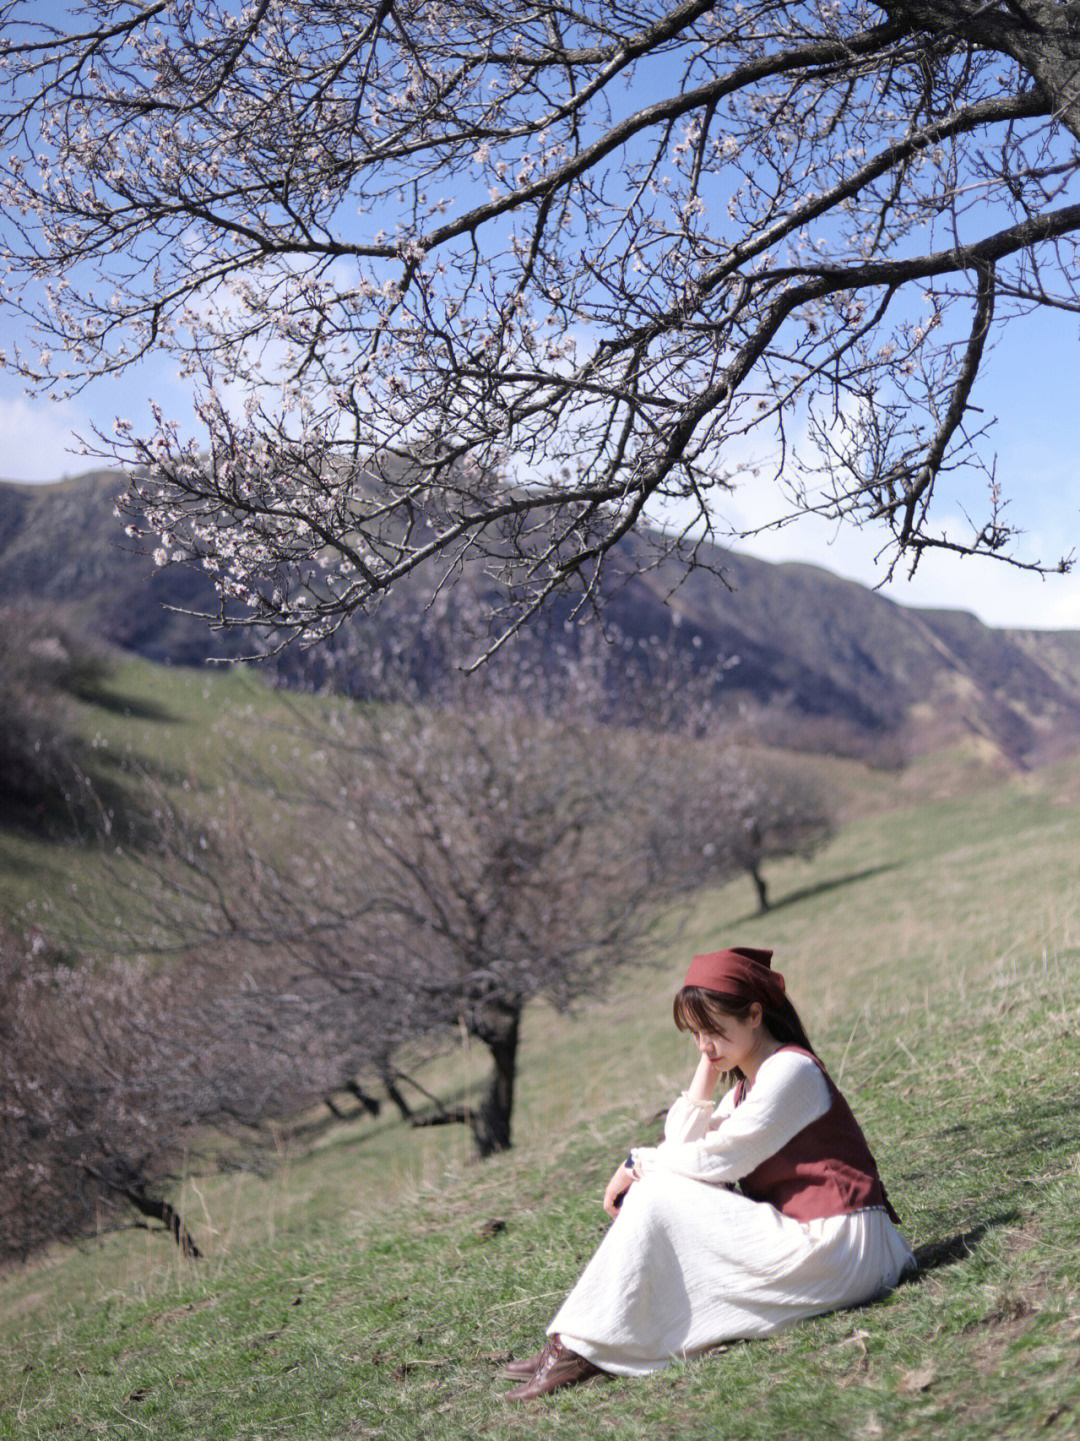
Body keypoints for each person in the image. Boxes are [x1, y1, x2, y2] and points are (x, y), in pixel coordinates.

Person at [502, 945, 915, 1402]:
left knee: (656, 1189)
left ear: (755, 1014)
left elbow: (719, 1161)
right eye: (695, 1035)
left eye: (714, 1030)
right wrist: (709, 1061)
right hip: (819, 1244)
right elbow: (683, 1147)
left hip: (843, 1248)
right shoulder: (743, 1092)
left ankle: (576, 1347)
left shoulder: (791, 1072)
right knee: (657, 1185)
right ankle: (575, 1345)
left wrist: (637, 1162)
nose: (704, 1045)